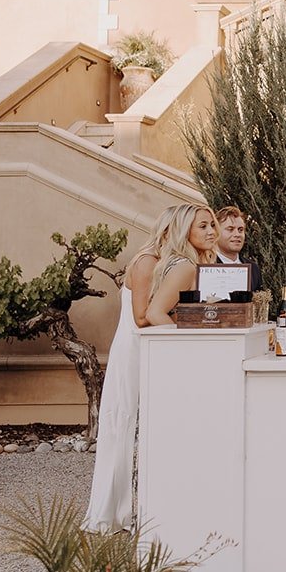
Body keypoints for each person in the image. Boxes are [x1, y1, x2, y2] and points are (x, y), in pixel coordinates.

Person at [84, 204, 186, 532]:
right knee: (122, 423)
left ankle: (135, 507)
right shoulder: (147, 262)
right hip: (133, 350)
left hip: (149, 348)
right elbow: (142, 318)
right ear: (172, 231)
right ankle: (110, 512)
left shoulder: (163, 264)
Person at [145, 204, 219, 326]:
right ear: (185, 231)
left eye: (212, 225)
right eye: (203, 226)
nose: (212, 232)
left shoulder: (190, 264)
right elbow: (154, 313)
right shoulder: (185, 267)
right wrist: (182, 343)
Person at [214, 205, 263, 291]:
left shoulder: (254, 269)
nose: (237, 234)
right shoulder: (206, 266)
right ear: (216, 233)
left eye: (240, 230)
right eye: (230, 229)